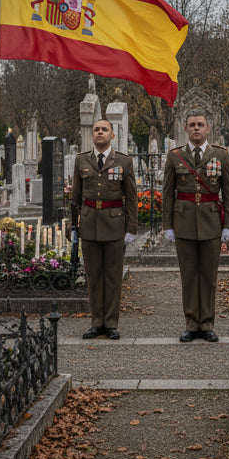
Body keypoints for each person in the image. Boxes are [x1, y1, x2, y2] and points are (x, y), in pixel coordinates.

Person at [162, 110, 229, 342]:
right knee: (189, 275)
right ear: (186, 129)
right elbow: (167, 194)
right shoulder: (175, 157)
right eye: (192, 125)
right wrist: (168, 225)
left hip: (211, 222)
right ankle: (191, 323)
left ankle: (207, 323)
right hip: (183, 222)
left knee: (208, 275)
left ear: (208, 128)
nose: (196, 128)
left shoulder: (221, 156)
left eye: (200, 125)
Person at [70, 118, 137, 340]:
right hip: (89, 224)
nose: (100, 132)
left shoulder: (124, 162)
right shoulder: (82, 161)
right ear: (93, 135)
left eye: (104, 129)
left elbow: (131, 198)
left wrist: (131, 228)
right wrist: (74, 225)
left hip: (114, 224)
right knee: (93, 275)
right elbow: (76, 197)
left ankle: (111, 322)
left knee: (113, 276)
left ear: (112, 135)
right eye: (97, 129)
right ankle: (96, 321)